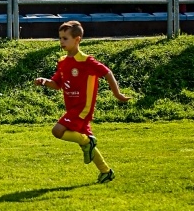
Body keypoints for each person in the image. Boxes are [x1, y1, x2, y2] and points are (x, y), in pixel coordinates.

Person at [34, 19, 130, 185]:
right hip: (72, 107)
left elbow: (107, 73)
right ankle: (106, 172)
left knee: (57, 131)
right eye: (60, 38)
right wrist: (44, 81)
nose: (61, 42)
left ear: (77, 39)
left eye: (65, 38)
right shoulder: (63, 62)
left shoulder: (86, 61)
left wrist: (118, 94)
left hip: (82, 108)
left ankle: (88, 141)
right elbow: (57, 85)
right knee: (85, 145)